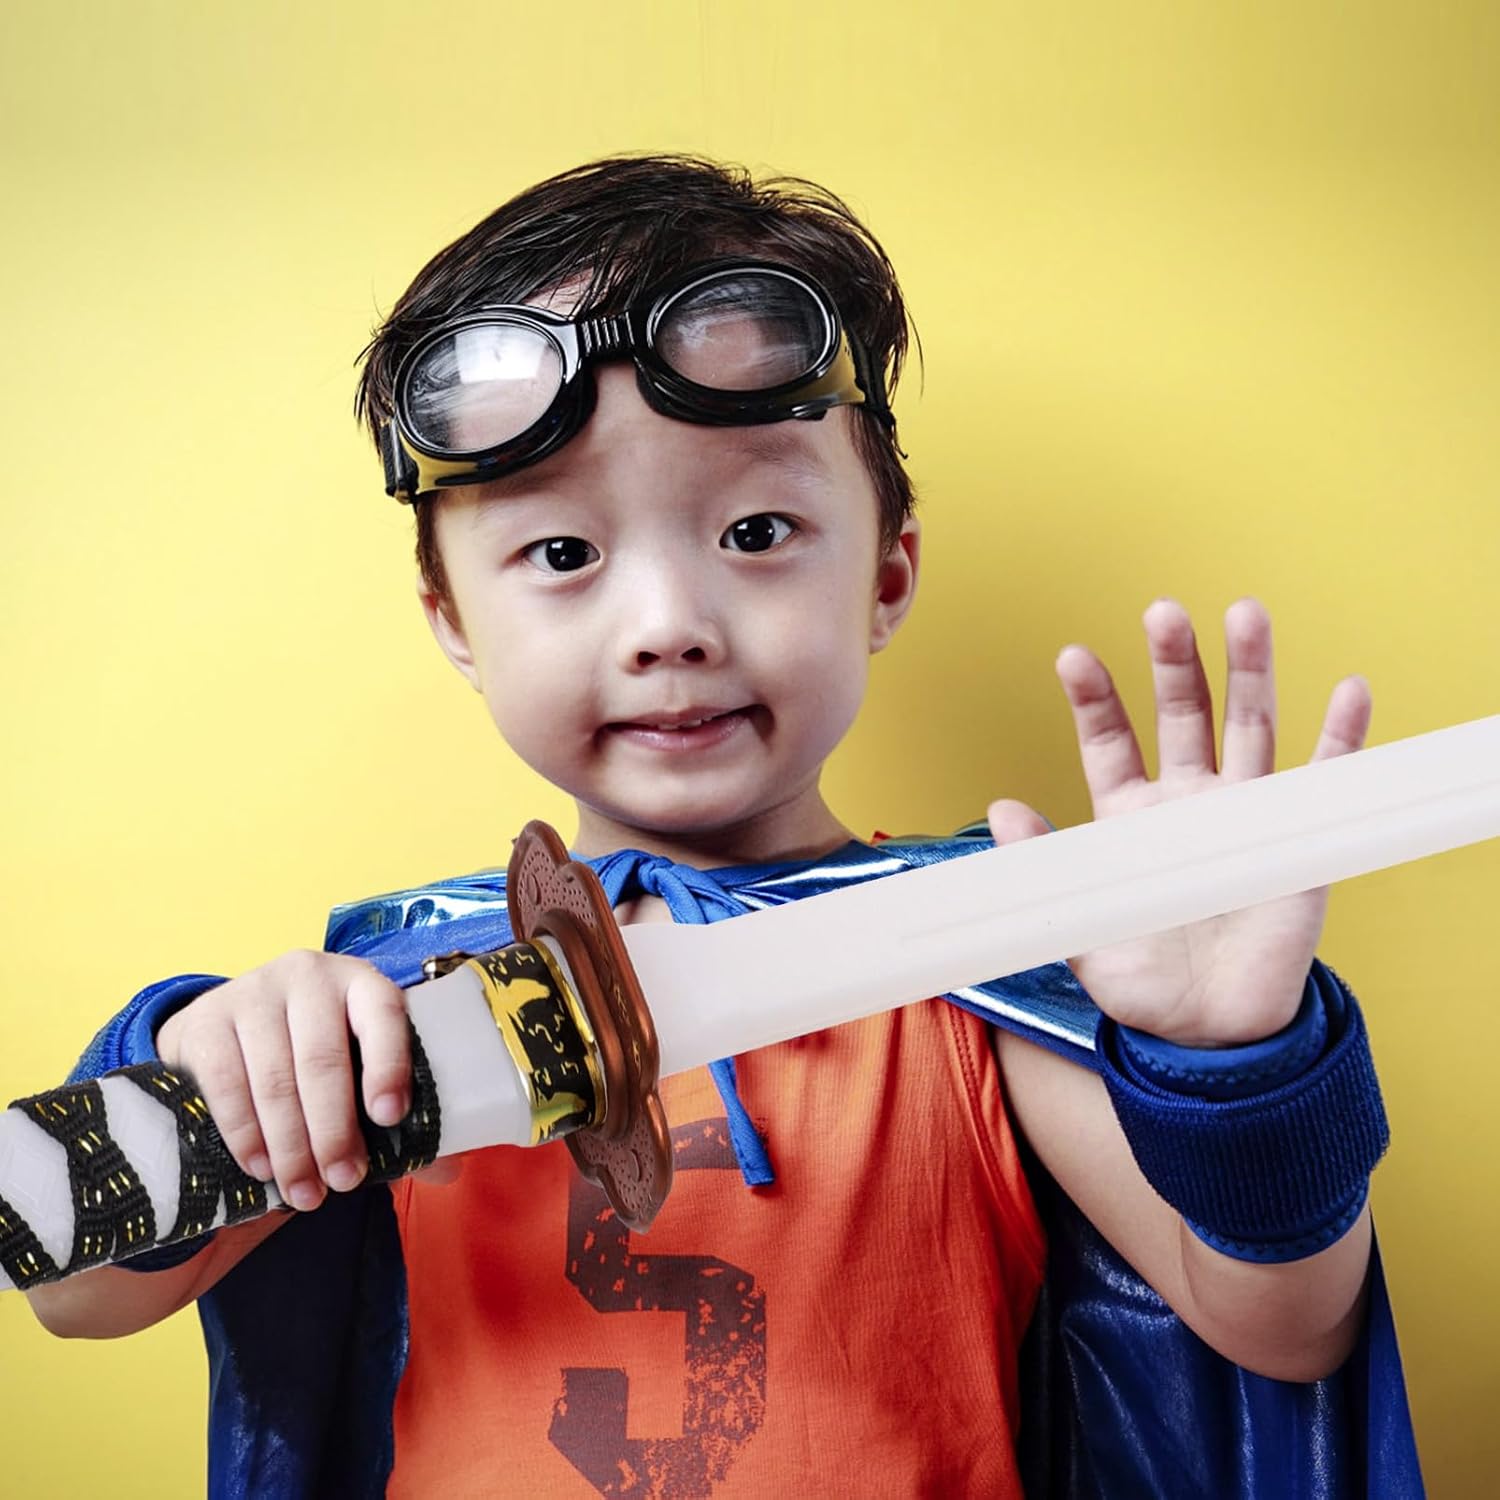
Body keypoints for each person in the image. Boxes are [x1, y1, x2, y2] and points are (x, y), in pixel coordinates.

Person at [23, 154, 1417, 1497]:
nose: (671, 627)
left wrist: (1234, 1063)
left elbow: (1284, 1326)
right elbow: (77, 1289)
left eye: (755, 533)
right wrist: (206, 1060)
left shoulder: (971, 959)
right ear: (452, 619)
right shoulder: (390, 1005)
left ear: (885, 577)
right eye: (562, 553)